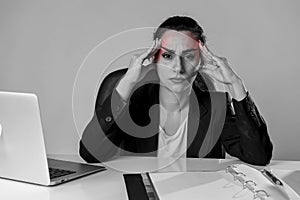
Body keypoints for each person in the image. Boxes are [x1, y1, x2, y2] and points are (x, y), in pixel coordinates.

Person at [79, 16, 273, 166]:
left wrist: (235, 84)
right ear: (154, 59)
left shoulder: (215, 106)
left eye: (188, 56)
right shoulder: (135, 103)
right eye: (167, 56)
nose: (178, 68)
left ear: (201, 61)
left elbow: (259, 157)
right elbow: (90, 154)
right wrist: (127, 82)